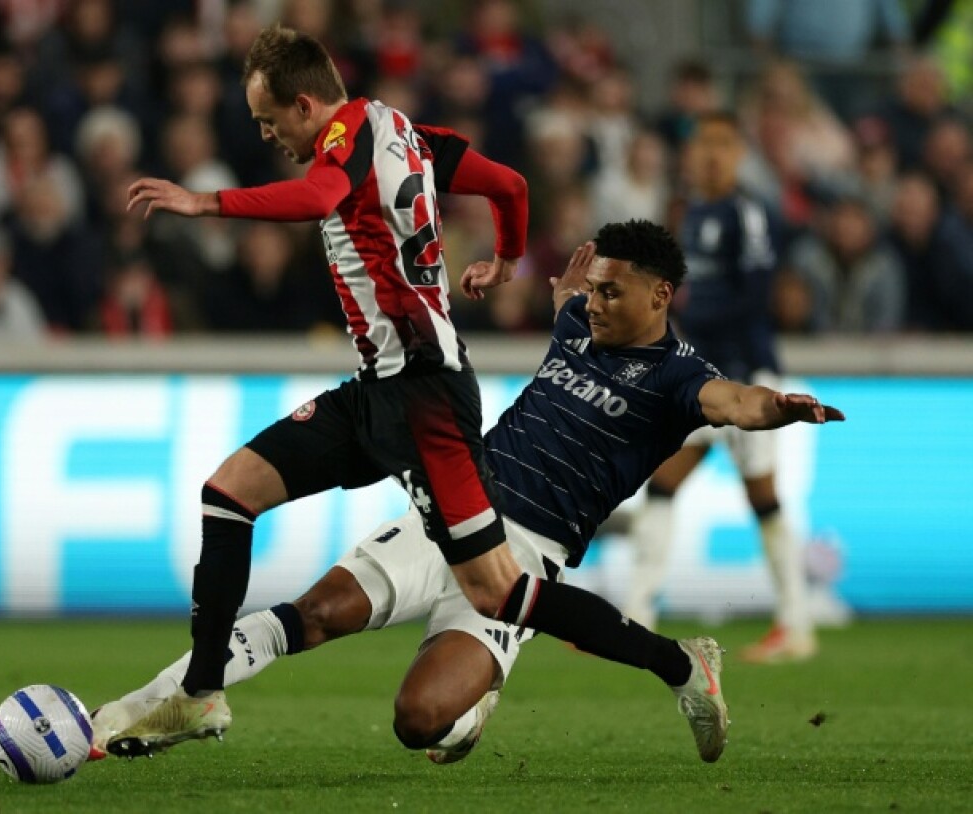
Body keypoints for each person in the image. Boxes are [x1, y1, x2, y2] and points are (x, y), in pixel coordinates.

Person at [93, 220, 844, 765]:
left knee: (418, 720)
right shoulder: (577, 320)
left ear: (661, 295)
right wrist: (558, 290)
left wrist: (780, 406)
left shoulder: (681, 378)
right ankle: (149, 706)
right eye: (593, 289)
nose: (595, 302)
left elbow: (736, 402)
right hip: (457, 507)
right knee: (315, 615)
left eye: (612, 292)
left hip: (530, 555)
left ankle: (642, 670)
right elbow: (565, 302)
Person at [623, 112, 818, 664]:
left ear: (738, 154)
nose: (711, 155)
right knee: (663, 481)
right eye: (704, 144)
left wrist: (687, 315)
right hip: (704, 377)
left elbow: (757, 295)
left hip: (747, 376)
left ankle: (796, 624)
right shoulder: (693, 213)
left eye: (723, 145)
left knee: (763, 496)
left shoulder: (746, 212)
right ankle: (636, 616)